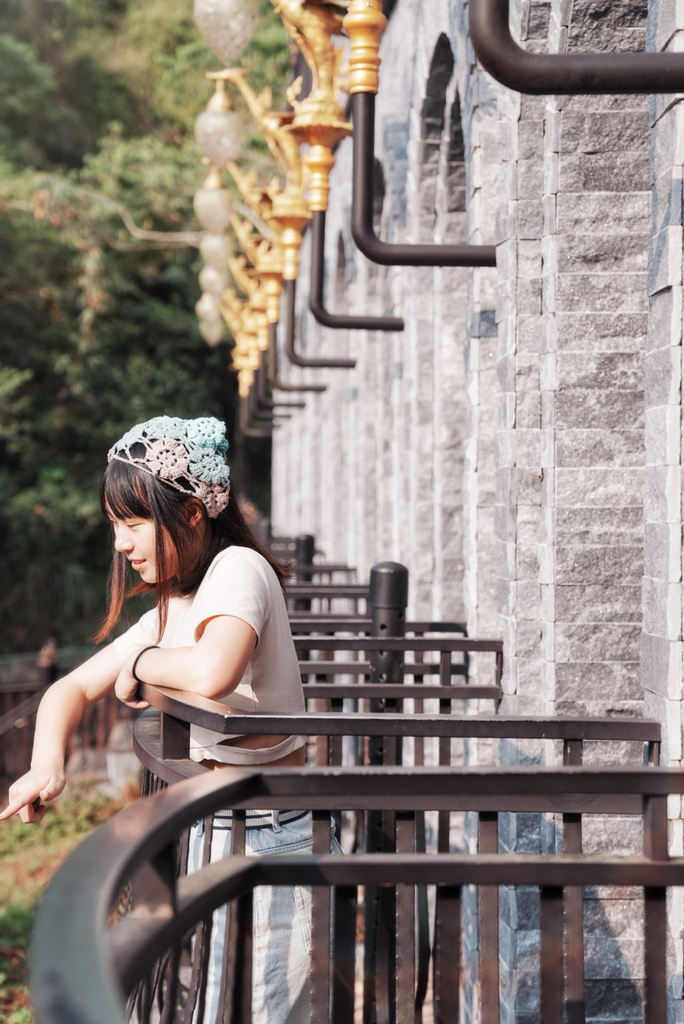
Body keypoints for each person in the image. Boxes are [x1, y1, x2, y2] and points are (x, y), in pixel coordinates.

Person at [0, 415, 322, 1024]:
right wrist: (46, 766)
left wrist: (139, 665)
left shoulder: (239, 569)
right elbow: (69, 689)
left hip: (268, 834)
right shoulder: (178, 604)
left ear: (192, 512)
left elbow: (212, 671)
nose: (120, 544)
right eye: (115, 526)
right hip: (216, 830)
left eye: (133, 522)